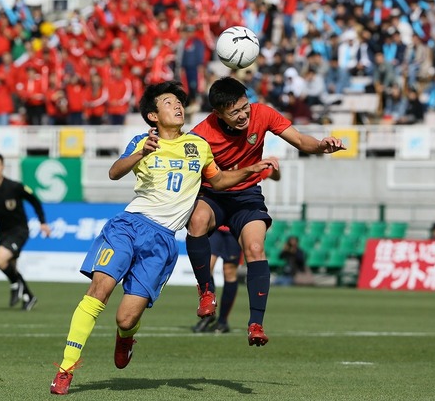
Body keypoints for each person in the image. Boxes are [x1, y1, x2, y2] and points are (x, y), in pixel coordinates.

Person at [50, 81, 279, 395]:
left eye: (179, 102)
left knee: (126, 318)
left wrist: (251, 168)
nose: (178, 106)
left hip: (162, 242)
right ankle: (66, 369)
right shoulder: (142, 140)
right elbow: (115, 172)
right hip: (128, 226)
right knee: (99, 289)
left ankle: (125, 336)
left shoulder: (198, 146)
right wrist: (140, 152)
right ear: (152, 115)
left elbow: (220, 181)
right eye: (169, 102)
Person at [187, 76, 345, 347]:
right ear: (218, 113)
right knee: (197, 221)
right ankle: (206, 292)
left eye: (244, 107)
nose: (242, 115)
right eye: (234, 112)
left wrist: (321, 145)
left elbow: (299, 140)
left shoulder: (263, 113)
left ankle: (255, 324)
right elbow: (210, 179)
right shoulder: (200, 135)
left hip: (247, 197)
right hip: (214, 194)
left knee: (256, 249)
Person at [193, 161, 281, 334]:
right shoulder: (213, 162)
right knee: (207, 265)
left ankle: (223, 321)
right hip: (216, 224)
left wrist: (277, 169)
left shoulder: (249, 164)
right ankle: (209, 307)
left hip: (236, 225)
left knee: (229, 272)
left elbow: (274, 176)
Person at [0, 151, 51, 310]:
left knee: (0, 259)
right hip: (2, 233)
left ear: (2, 166)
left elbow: (34, 201)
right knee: (12, 267)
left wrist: (42, 222)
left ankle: (15, 284)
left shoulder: (14, 186)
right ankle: (29, 297)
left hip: (19, 231)